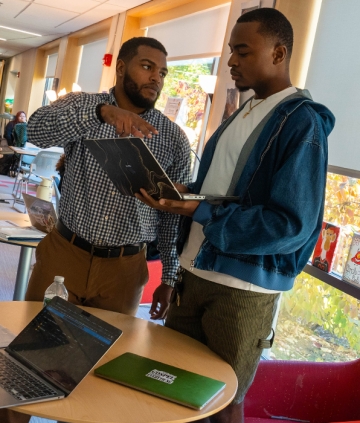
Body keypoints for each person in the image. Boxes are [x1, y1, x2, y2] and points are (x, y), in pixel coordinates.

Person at [136, 8, 335, 423]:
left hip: (241, 292)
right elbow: (224, 193)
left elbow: (290, 226)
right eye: (230, 51)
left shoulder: (301, 124)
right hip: (195, 274)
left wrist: (202, 209)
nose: (230, 61)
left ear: (278, 53)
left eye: (242, 51)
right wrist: (179, 193)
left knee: (221, 404)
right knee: (168, 388)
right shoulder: (242, 114)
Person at [0, 36, 191, 423]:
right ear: (121, 67)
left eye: (163, 72)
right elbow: (37, 129)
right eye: (147, 67)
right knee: (29, 363)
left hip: (123, 270)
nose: (157, 78)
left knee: (100, 375)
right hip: (64, 254)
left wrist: (169, 276)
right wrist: (101, 112)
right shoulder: (84, 107)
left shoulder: (173, 139)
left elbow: (173, 215)